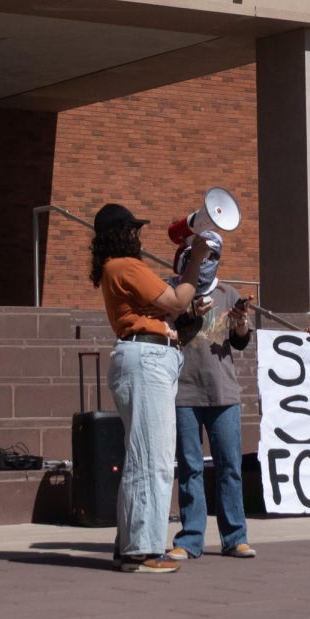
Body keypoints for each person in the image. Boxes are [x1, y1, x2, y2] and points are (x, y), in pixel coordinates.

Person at [91, 203, 210, 574]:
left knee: (143, 458)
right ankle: (141, 550)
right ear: (119, 234)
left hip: (143, 357)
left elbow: (171, 309)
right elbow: (175, 300)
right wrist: (197, 260)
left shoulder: (115, 268)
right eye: (132, 230)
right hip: (146, 359)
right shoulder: (126, 266)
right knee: (152, 460)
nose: (137, 236)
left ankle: (129, 545)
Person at [164, 231, 257, 561]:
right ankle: (190, 538)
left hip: (223, 392)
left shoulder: (227, 292)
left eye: (214, 257)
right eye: (203, 255)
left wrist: (241, 324)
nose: (207, 262)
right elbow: (167, 328)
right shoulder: (174, 290)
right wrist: (190, 312)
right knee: (190, 467)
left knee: (229, 465)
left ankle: (235, 536)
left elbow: (241, 341)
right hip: (184, 390)